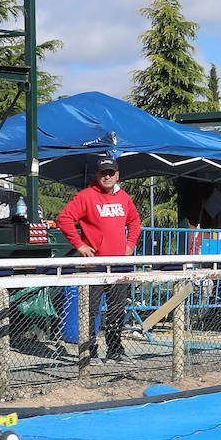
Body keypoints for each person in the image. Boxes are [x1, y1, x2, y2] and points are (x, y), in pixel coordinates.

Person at [56, 155, 142, 363]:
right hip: (95, 264)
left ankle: (114, 349)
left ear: (117, 175)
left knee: (117, 309)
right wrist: (80, 245)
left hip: (120, 264)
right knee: (91, 310)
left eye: (111, 173)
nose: (107, 176)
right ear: (97, 175)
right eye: (104, 173)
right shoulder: (86, 196)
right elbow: (64, 219)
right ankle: (89, 352)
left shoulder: (124, 198)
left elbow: (135, 220)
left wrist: (130, 244)